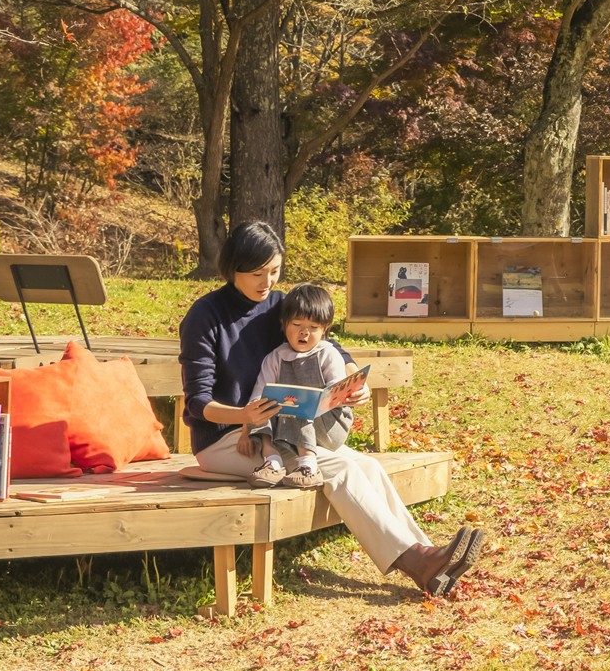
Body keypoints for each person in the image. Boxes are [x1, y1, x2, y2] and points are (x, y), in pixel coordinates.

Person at [178, 221, 485, 596]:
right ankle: (419, 562)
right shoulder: (205, 316)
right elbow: (198, 400)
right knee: (338, 467)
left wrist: (352, 378)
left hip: (284, 431)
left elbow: (330, 344)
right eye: (257, 273)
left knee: (366, 464)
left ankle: (430, 559)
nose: (268, 282)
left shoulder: (279, 305)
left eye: (275, 271)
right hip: (227, 439)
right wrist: (243, 417)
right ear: (232, 270)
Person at [244, 283, 352, 490]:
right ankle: (272, 461)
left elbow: (335, 394)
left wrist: (305, 402)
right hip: (286, 427)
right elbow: (259, 393)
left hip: (327, 425)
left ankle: (309, 467)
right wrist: (249, 423)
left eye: (313, 328)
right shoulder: (275, 357)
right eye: (297, 325)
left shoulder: (328, 354)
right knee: (260, 407)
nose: (304, 333)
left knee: (296, 404)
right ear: (284, 324)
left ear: (325, 328)